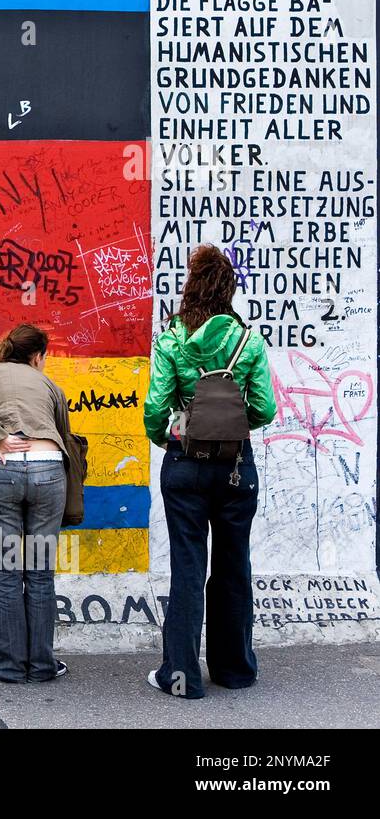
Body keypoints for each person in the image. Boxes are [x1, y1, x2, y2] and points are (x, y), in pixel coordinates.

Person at [143, 245, 275, 699]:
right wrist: (230, 427)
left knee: (188, 567)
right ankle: (234, 670)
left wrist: (176, 436)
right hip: (236, 467)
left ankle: (181, 677)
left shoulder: (171, 339)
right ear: (230, 290)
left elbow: (155, 408)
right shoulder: (248, 341)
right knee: (234, 566)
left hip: (185, 465)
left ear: (190, 289)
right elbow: (265, 408)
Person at [0, 324, 78, 683]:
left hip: (4, 474)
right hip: (49, 474)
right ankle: (42, 666)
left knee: (7, 572)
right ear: (37, 356)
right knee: (40, 573)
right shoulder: (50, 386)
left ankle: (9, 665)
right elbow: (65, 436)